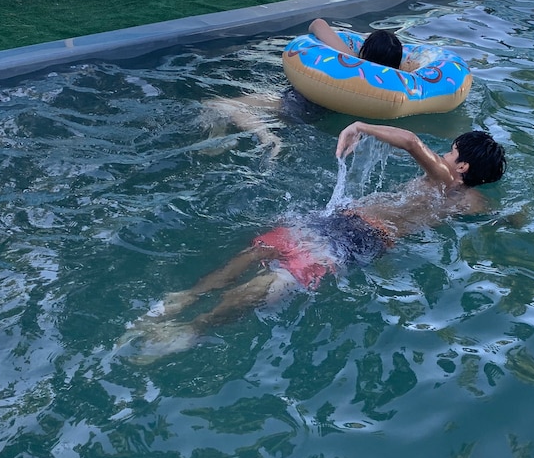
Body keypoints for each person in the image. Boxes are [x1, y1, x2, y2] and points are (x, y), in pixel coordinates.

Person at [118, 121, 506, 360]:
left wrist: (360, 127)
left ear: (463, 166)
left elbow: (408, 140)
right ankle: (186, 307)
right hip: (343, 225)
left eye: (451, 151)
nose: (443, 154)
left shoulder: (444, 180)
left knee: (264, 273)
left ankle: (191, 323)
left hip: (356, 238)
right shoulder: (472, 201)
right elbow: (495, 213)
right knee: (260, 253)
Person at [197, 20, 403, 158]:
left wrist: (349, 50)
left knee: (218, 104)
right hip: (317, 115)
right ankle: (220, 135)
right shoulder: (391, 85)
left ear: (365, 49)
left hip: (294, 103)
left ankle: (266, 137)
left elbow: (317, 23)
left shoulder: (350, 60)